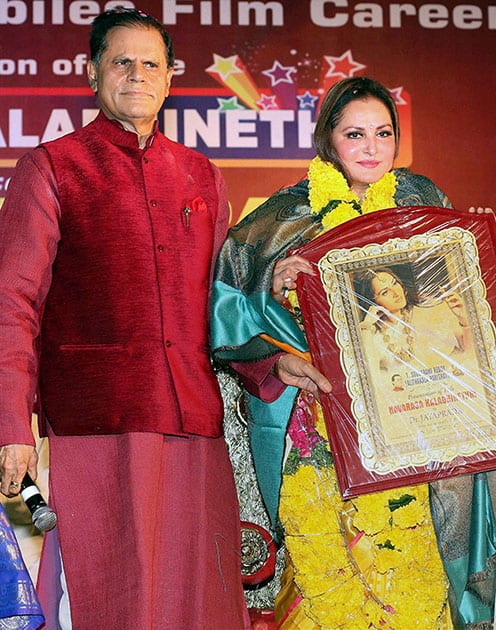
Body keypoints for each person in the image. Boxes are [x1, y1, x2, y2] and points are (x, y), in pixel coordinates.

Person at [212, 76, 496, 629]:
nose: (371, 148)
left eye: (383, 133)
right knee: (333, 577)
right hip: (322, 422)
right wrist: (270, 290)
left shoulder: (424, 202)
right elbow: (223, 312)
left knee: (418, 566)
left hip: (419, 419)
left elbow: (461, 307)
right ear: (327, 142)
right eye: (354, 134)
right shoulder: (281, 218)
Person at [0, 7, 249, 629]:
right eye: (121, 62)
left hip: (195, 421)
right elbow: (12, 303)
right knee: (119, 604)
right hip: (99, 424)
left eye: (151, 64)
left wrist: (277, 358)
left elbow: (228, 305)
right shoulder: (52, 167)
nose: (137, 75)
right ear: (92, 74)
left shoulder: (201, 175)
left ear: (169, 80)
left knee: (201, 605)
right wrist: (12, 425)